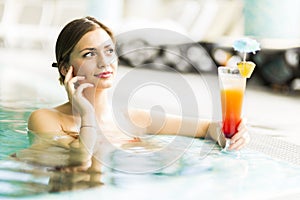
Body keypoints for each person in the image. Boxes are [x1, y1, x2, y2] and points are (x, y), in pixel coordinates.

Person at [20, 16, 249, 172]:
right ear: (65, 69)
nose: (104, 62)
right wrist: (87, 115)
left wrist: (230, 133)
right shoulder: (46, 119)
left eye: (109, 51)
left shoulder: (134, 118)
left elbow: (206, 128)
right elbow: (81, 161)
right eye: (90, 54)